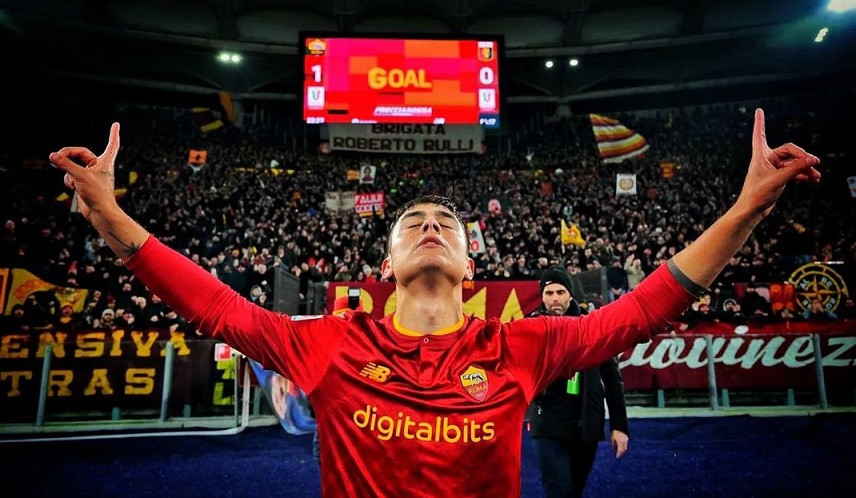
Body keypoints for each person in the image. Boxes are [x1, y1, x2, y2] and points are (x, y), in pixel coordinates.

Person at [49, 109, 820, 497]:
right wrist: (112, 218)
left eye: (445, 222)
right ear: (386, 263)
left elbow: (646, 308)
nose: (428, 224)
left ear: (469, 262)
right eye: (411, 221)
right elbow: (216, 307)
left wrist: (747, 208)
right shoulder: (328, 342)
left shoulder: (525, 345)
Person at [527, 266, 629, 498]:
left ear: (570, 294)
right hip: (547, 424)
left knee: (575, 490)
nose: (555, 298)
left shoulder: (593, 325)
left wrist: (620, 425)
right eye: (549, 293)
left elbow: (613, 379)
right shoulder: (530, 327)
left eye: (560, 292)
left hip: (586, 423)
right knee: (559, 492)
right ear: (542, 296)